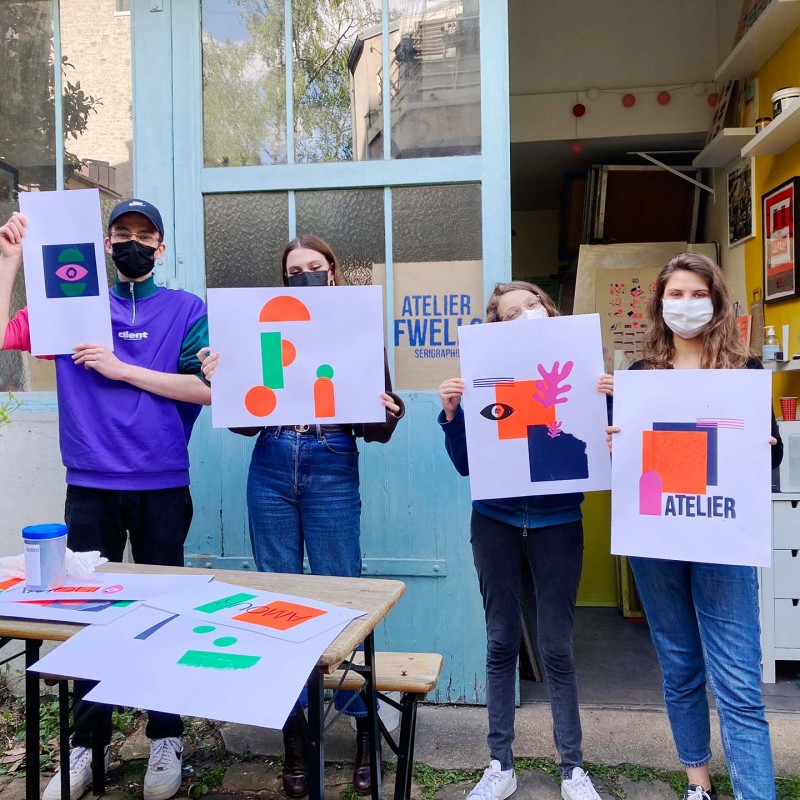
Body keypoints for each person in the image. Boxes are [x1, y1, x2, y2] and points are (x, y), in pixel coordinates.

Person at [0, 200, 211, 800]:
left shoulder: (186, 309)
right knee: (84, 621)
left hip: (162, 485)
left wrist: (122, 370)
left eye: (145, 235)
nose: (134, 243)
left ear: (162, 247)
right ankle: (86, 744)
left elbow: (206, 389)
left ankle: (164, 737)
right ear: (106, 243)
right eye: (123, 234)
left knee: (163, 617)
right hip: (90, 484)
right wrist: (9, 260)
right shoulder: (74, 306)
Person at [200, 234, 404, 798]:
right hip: (271, 462)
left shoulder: (356, 329)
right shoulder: (262, 329)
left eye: (316, 267)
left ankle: (364, 732)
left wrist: (389, 409)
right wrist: (223, 379)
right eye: (295, 271)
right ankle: (297, 738)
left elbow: (378, 423)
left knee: (345, 596)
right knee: (276, 600)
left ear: (333, 273)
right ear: (283, 280)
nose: (306, 276)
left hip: (332, 459)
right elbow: (244, 420)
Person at [606, 252, 782, 800]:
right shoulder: (640, 378)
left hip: (722, 539)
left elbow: (767, 461)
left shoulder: (745, 372)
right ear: (660, 303)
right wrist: (618, 445)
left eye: (697, 293)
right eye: (675, 294)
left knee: (737, 681)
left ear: (717, 301)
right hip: (657, 538)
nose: (686, 304)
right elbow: (631, 468)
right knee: (680, 664)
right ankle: (697, 782)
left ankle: (757, 791)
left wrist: (765, 449)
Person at [437, 281, 611, 800]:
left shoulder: (581, 377)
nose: (525, 316)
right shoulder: (486, 383)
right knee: (500, 641)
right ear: (495, 328)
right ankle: (499, 764)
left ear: (550, 311)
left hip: (558, 522)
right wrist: (452, 415)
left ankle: (572, 768)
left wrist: (611, 404)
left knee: (557, 645)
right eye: (510, 314)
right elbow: (469, 463)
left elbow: (603, 447)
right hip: (495, 522)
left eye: (532, 306)